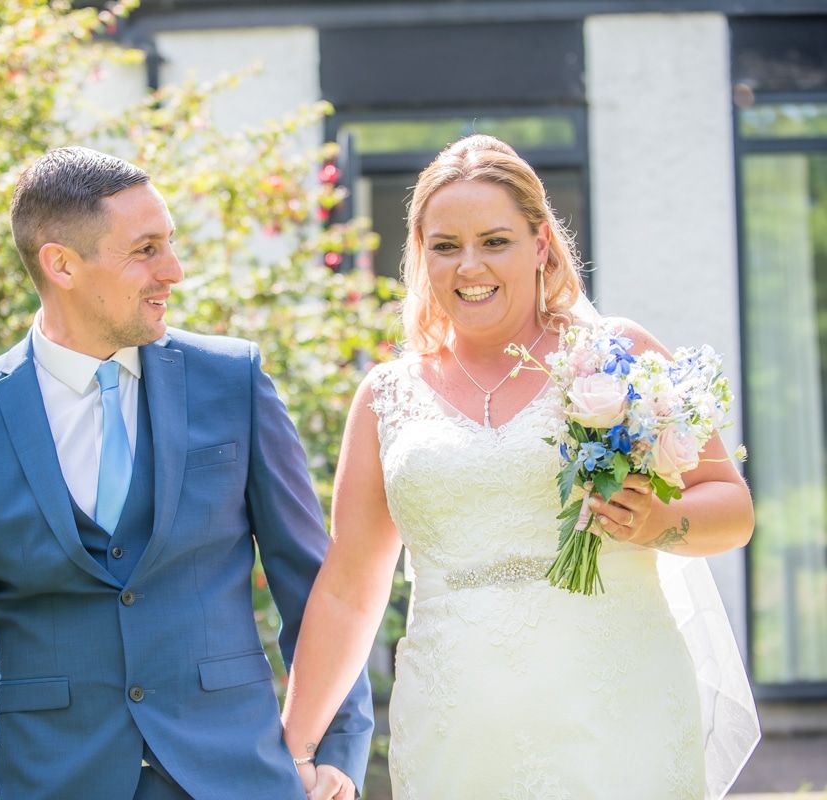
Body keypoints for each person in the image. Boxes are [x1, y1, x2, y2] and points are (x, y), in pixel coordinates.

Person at [0, 146, 372, 800]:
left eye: (170, 243)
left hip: (234, 775)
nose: (174, 271)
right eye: (145, 251)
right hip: (51, 782)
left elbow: (313, 583)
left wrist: (336, 746)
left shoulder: (233, 383)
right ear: (61, 264)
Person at [281, 134, 759, 799]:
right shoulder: (386, 397)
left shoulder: (617, 358)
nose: (469, 266)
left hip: (618, 715)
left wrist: (659, 521)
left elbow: (732, 511)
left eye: (495, 241)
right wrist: (293, 748)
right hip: (455, 724)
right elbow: (347, 589)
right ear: (421, 256)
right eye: (445, 246)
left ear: (540, 245)